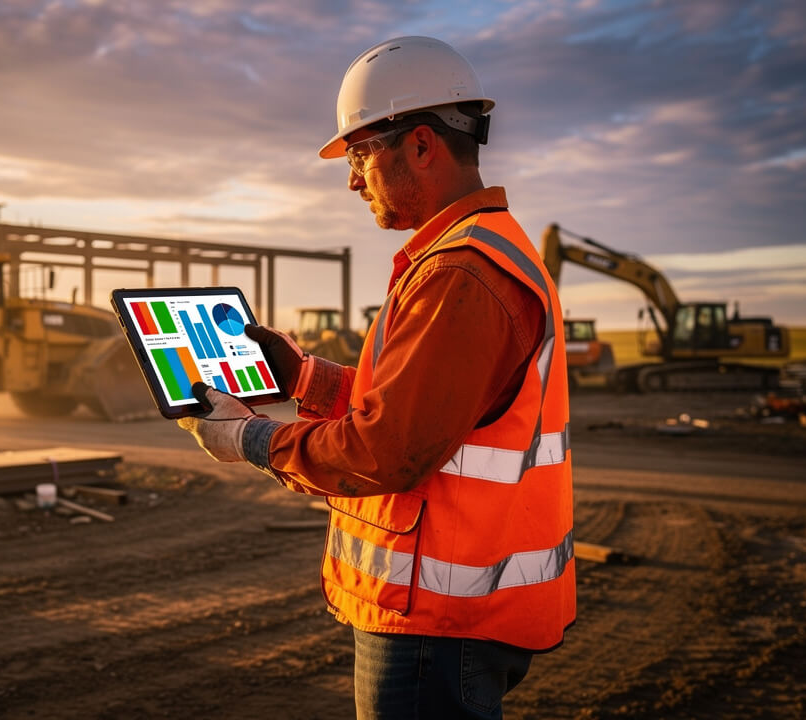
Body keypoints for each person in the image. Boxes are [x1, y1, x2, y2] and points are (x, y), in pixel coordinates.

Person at [176, 36, 575, 719]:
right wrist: (303, 377)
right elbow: (426, 409)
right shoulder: (475, 253)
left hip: (437, 620)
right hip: (453, 612)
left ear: (421, 145)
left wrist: (248, 439)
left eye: (360, 153)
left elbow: (387, 450)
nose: (353, 179)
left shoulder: (462, 275)